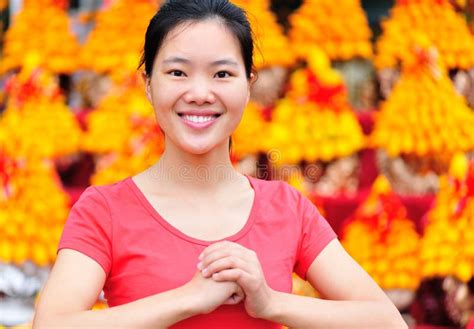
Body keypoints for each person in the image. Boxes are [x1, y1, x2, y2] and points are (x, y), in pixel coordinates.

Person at [33, 0, 407, 328]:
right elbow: (52, 325)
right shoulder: (104, 210)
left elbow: (386, 321)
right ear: (148, 84)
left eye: (222, 74)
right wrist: (187, 299)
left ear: (249, 85)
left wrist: (272, 303)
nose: (199, 93)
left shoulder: (286, 208)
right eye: (177, 72)